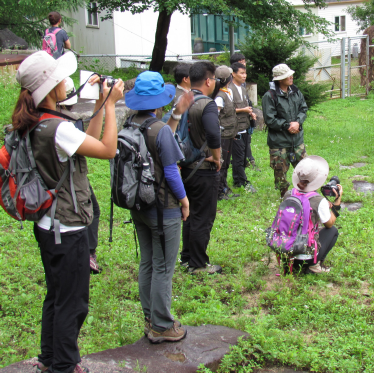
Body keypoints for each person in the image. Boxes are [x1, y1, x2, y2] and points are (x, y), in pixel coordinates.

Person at [14, 50, 124, 373]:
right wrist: (114, 105)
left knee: (56, 295)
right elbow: (106, 149)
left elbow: (86, 140)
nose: (66, 82)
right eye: (61, 79)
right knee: (73, 304)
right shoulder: (56, 129)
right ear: (50, 89)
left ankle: (49, 359)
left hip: (47, 225)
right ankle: (64, 365)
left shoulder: (39, 123)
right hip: (69, 229)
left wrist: (99, 106)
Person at [125, 71, 192, 343]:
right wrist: (185, 202)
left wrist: (175, 116)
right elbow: (172, 172)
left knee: (148, 262)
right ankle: (162, 325)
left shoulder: (129, 126)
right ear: (158, 103)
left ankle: (149, 317)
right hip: (164, 208)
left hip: (138, 205)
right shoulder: (160, 131)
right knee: (164, 266)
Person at [180, 61, 223, 275]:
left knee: (189, 213)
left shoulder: (182, 101)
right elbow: (214, 135)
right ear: (208, 80)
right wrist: (217, 158)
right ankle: (198, 264)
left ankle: (186, 257)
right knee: (203, 216)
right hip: (203, 169)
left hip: (184, 167)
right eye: (214, 79)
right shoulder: (207, 104)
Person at [62, 77, 102, 274]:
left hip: (63, 184)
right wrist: (107, 104)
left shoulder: (45, 119)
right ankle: (88, 254)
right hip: (68, 184)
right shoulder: (62, 126)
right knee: (90, 210)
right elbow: (105, 149)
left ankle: (88, 253)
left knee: (92, 208)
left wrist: (100, 102)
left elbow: (88, 139)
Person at [285, 156, 342, 273]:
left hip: (286, 253)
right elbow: (329, 224)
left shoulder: (288, 194)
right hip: (306, 257)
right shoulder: (318, 201)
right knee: (332, 231)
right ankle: (314, 265)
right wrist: (337, 202)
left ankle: (291, 264)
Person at [262, 63, 308, 198]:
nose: (291, 77)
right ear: (279, 79)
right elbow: (270, 119)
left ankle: (306, 192)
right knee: (280, 171)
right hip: (279, 141)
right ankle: (285, 194)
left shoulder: (296, 91)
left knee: (304, 168)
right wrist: (288, 126)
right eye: (287, 76)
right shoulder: (269, 96)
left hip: (297, 140)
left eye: (291, 74)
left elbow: (303, 109)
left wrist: (298, 122)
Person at [229, 62, 257, 193]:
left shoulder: (243, 88)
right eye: (241, 73)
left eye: (245, 73)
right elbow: (226, 111)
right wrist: (243, 110)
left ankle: (237, 179)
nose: (244, 76)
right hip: (235, 129)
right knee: (238, 157)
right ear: (233, 74)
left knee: (243, 155)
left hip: (245, 126)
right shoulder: (229, 89)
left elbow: (245, 105)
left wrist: (250, 112)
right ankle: (241, 181)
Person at [214, 66, 240, 201]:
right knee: (222, 163)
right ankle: (219, 191)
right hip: (223, 135)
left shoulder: (228, 91)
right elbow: (216, 116)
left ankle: (224, 187)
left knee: (226, 163)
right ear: (229, 78)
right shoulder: (219, 96)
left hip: (230, 133)